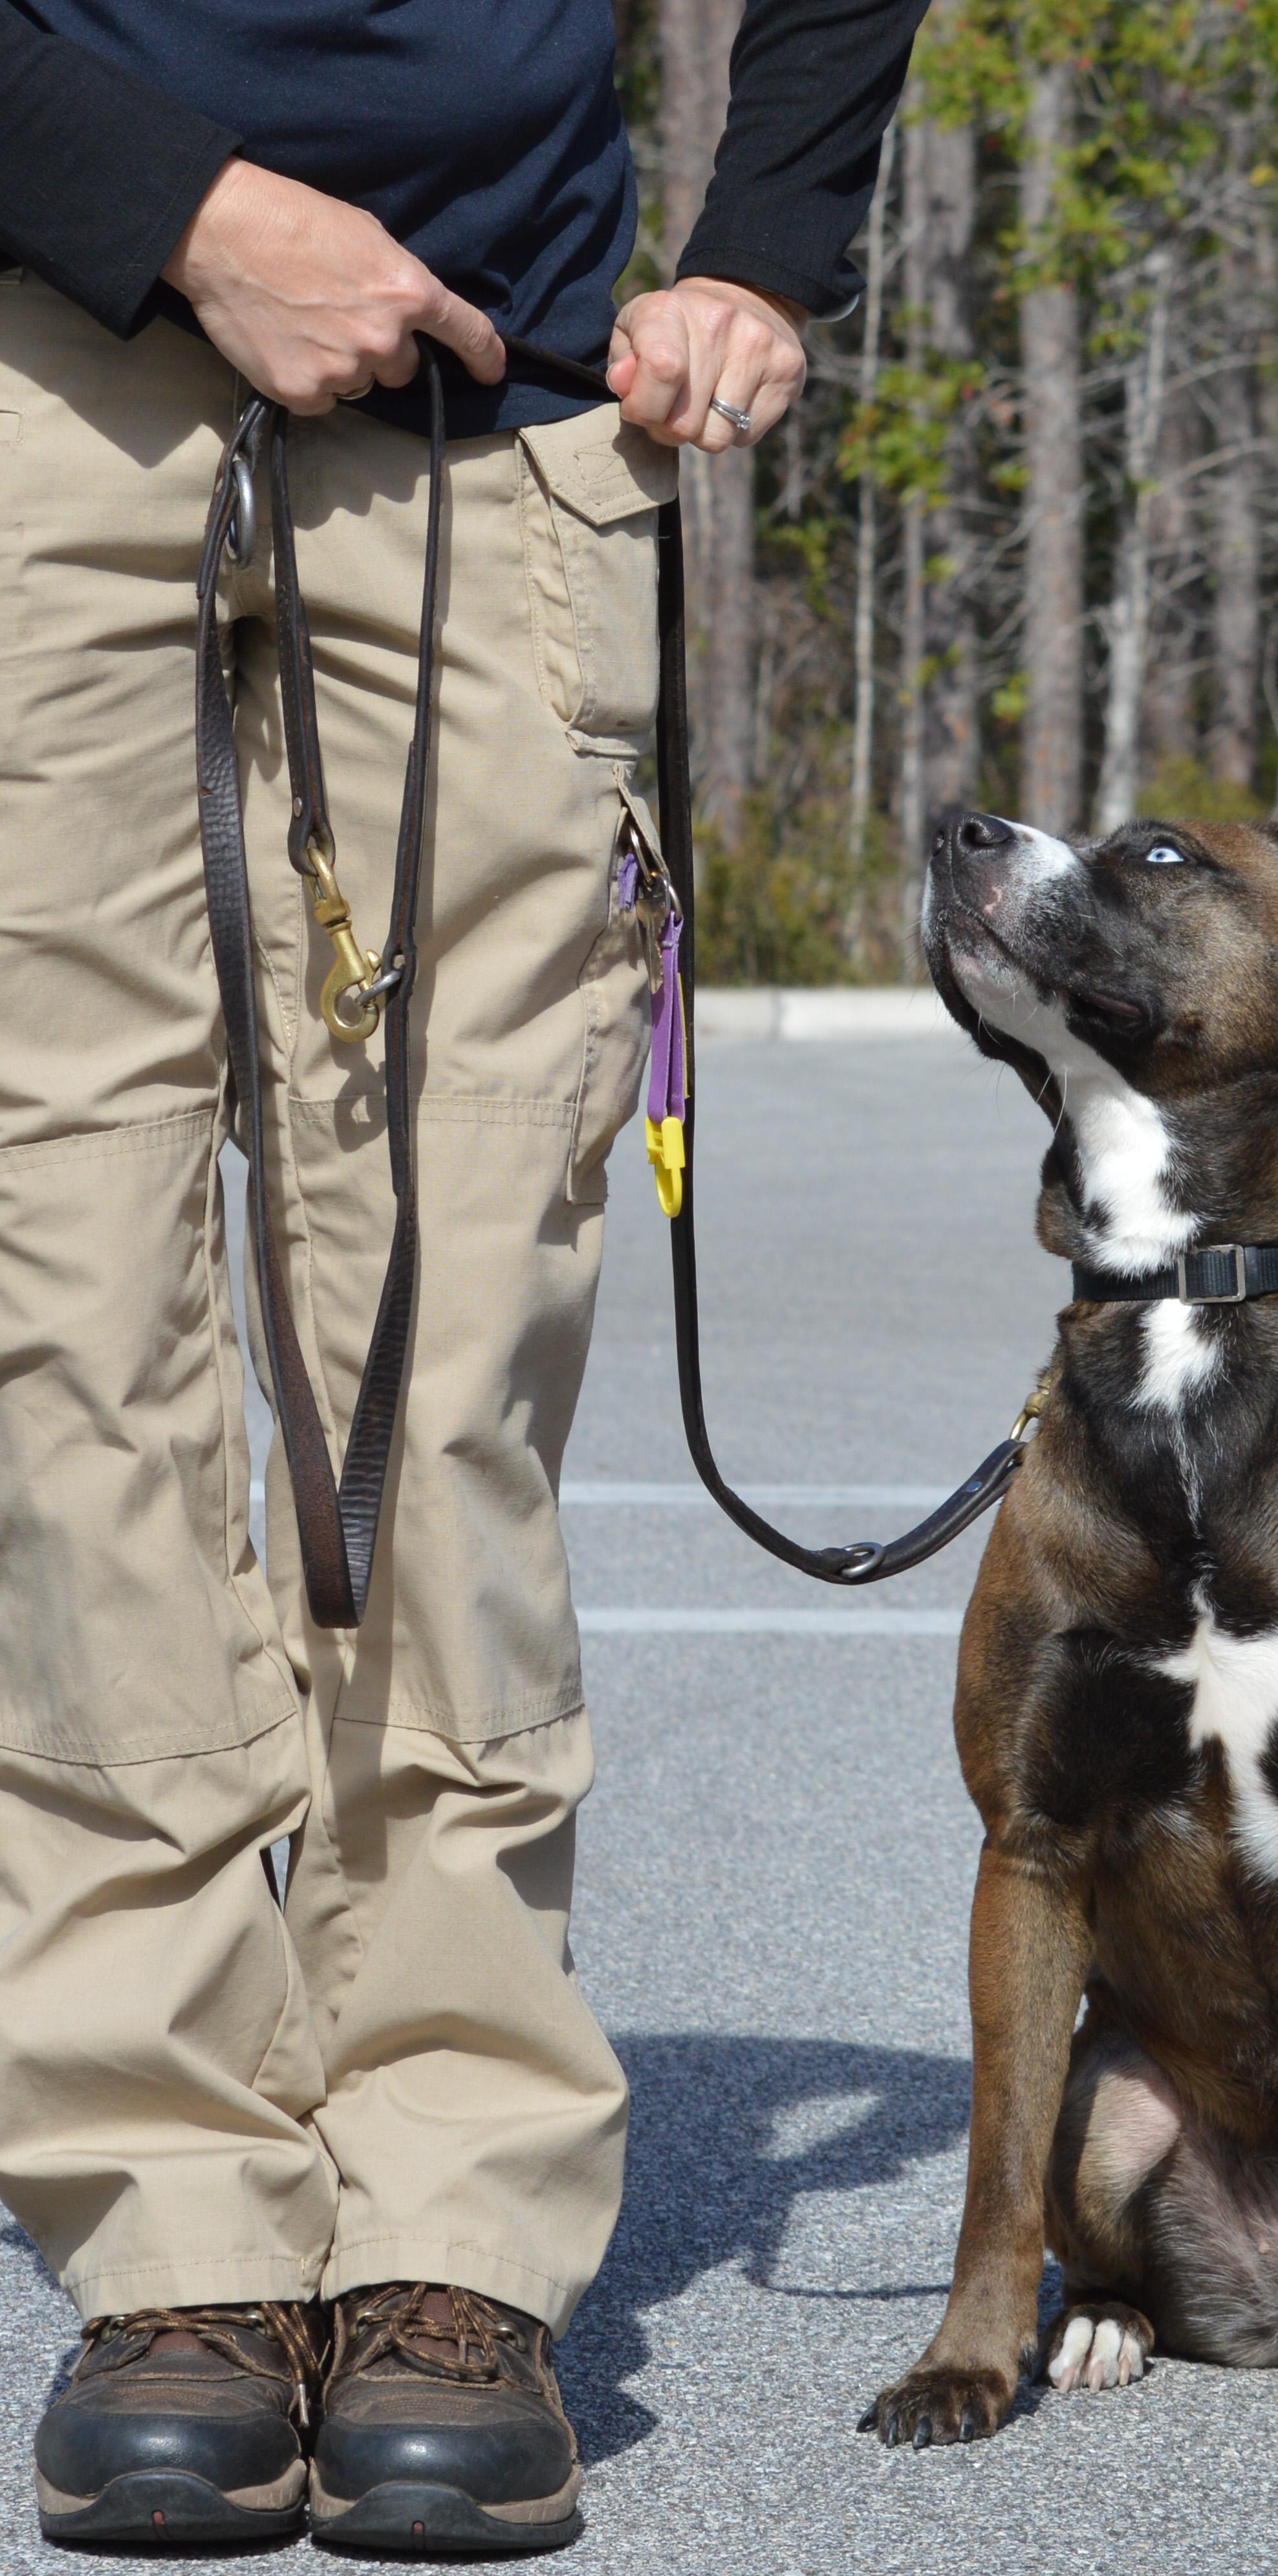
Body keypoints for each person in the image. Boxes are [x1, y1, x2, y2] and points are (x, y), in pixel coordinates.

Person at [0, 0, 926, 2553]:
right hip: (37, 383)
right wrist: (183, 213)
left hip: (492, 413)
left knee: (436, 1348)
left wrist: (764, 249)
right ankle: (173, 2224)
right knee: (67, 1336)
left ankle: (442, 2219)